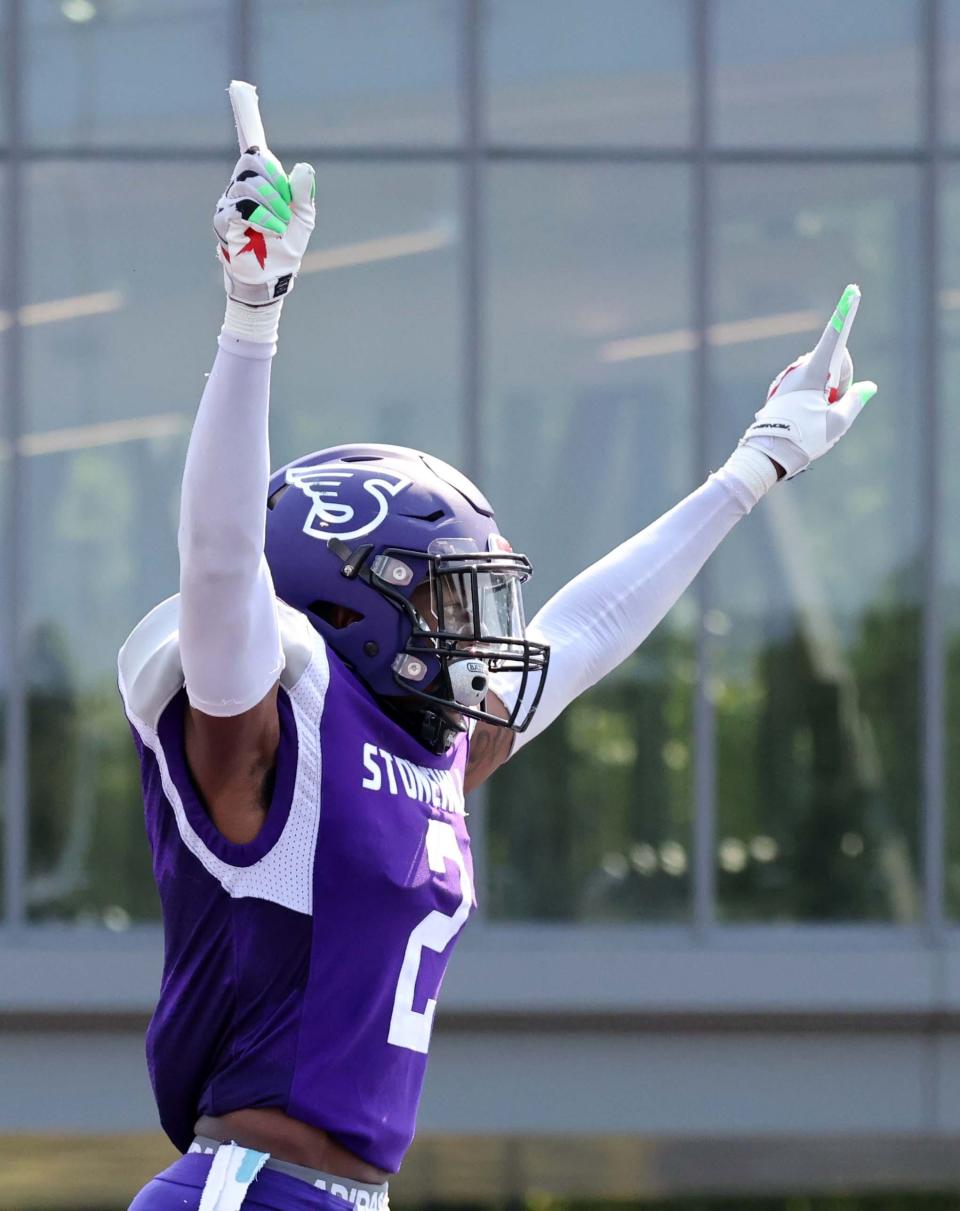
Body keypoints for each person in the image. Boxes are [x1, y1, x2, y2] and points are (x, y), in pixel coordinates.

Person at [120, 98, 876, 1211]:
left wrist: (751, 470)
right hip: (246, 1190)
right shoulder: (263, 739)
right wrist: (251, 319)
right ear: (348, 593)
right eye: (441, 595)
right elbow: (223, 560)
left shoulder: (427, 757)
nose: (471, 629)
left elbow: (581, 632)